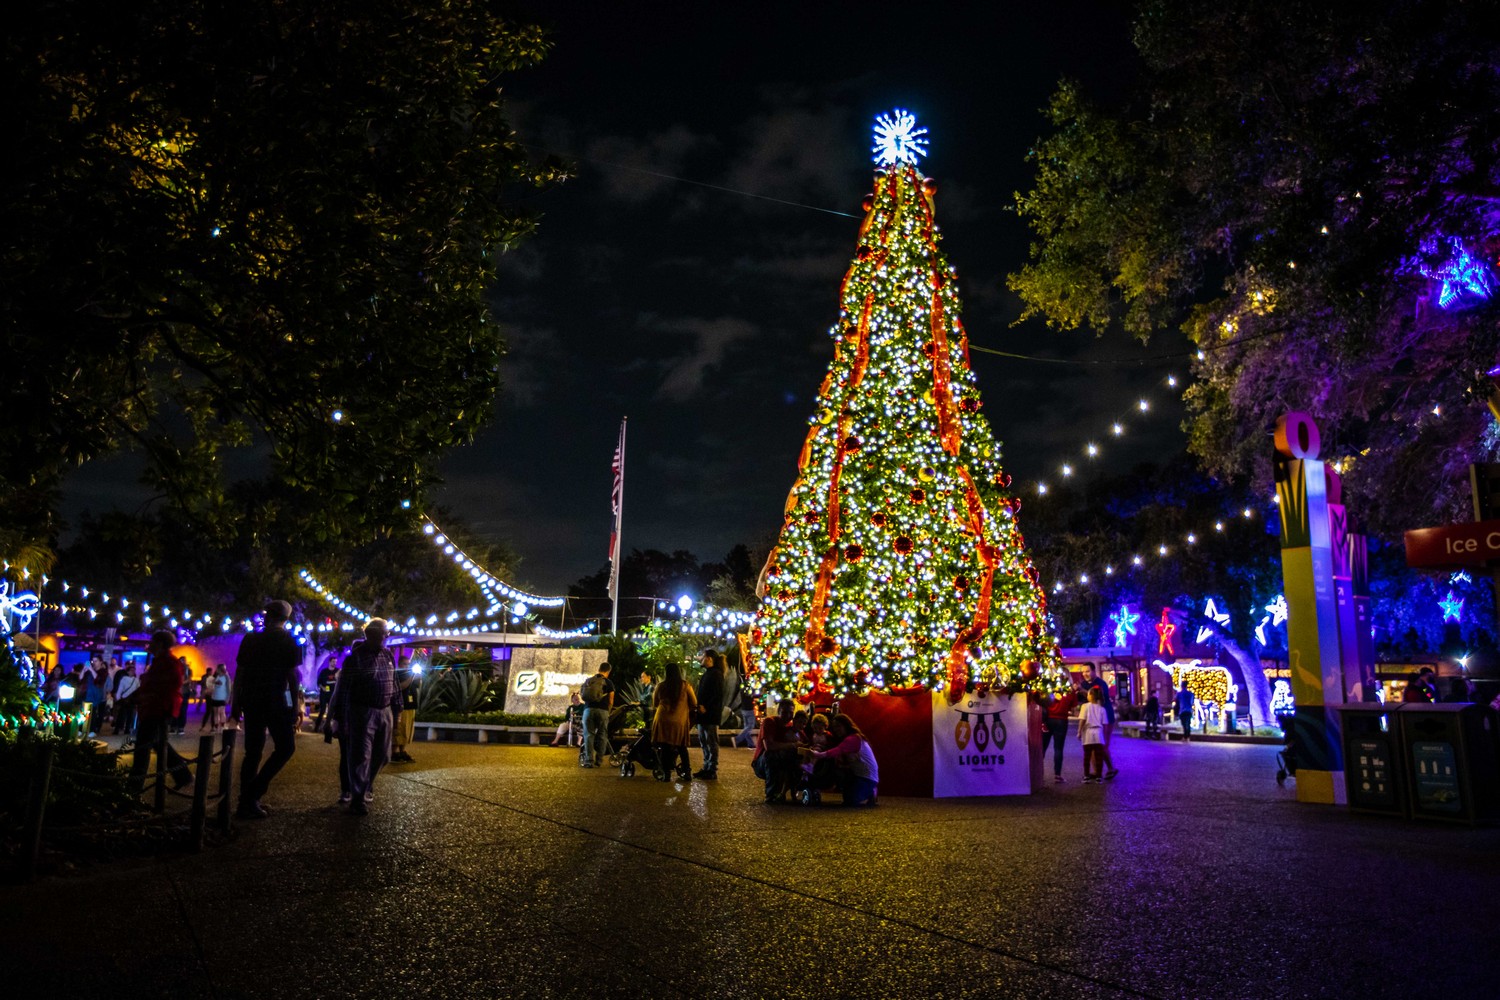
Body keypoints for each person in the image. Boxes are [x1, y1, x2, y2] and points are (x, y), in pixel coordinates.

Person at [232, 600, 302, 820]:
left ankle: (248, 801)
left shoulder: (250, 639)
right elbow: (292, 678)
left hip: (251, 701)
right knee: (286, 747)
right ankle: (252, 795)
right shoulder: (289, 641)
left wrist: (235, 704)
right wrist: (293, 706)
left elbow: (240, 674)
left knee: (252, 752)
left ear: (268, 616)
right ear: (286, 619)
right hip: (276, 702)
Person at [328, 619, 398, 815]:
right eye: (385, 633)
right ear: (373, 634)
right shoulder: (355, 658)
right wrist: (340, 718)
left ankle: (364, 786)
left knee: (383, 756)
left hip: (385, 711)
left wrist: (397, 709)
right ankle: (357, 799)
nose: (388, 636)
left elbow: (395, 683)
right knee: (360, 756)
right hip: (362, 711)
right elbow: (343, 691)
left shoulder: (388, 654)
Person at [128, 631, 193, 794]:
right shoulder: (160, 661)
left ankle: (134, 787)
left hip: (159, 709)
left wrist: (144, 695)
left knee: (143, 747)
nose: (149, 644)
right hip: (155, 708)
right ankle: (183, 775)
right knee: (158, 743)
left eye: (153, 641)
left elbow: (167, 685)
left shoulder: (169, 662)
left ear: (161, 644)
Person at [806, 715, 879, 806]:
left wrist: (817, 755)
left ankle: (871, 791)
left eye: (838, 726)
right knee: (846, 794)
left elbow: (837, 751)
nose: (836, 729)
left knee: (851, 800)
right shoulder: (850, 738)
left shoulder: (853, 739)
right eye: (834, 727)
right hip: (857, 775)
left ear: (846, 725)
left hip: (867, 778)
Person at [650, 661, 700, 782]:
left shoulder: (661, 686)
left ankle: (666, 774)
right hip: (679, 721)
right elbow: (694, 703)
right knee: (682, 747)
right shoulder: (685, 686)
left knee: (664, 747)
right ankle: (687, 773)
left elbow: (655, 703)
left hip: (662, 720)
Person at [754, 698, 801, 804]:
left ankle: (789, 791)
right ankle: (771, 794)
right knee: (771, 755)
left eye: (790, 713)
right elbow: (769, 746)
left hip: (781, 758)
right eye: (785, 712)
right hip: (762, 762)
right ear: (779, 711)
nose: (788, 716)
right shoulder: (769, 722)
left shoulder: (790, 726)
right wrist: (793, 745)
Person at [694, 649, 726, 779]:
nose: (701, 658)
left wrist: (706, 707)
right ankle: (706, 766)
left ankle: (712, 769)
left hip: (710, 715)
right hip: (703, 715)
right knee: (704, 741)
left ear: (709, 659)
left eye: (703, 656)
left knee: (711, 742)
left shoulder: (716, 674)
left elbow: (717, 695)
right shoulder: (708, 673)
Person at [579, 661, 614, 768]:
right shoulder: (608, 683)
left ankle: (589, 761)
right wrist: (608, 711)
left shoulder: (589, 681)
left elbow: (582, 695)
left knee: (589, 735)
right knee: (602, 735)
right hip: (602, 711)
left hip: (588, 710)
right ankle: (599, 760)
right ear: (608, 671)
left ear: (599, 669)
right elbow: (611, 700)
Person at [1041, 682, 1078, 782]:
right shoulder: (1070, 690)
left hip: (1048, 719)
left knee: (1043, 747)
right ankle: (1057, 775)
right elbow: (1074, 706)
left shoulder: (1049, 687)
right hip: (1061, 720)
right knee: (1058, 748)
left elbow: (1042, 701)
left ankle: (1038, 773)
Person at [1086, 666, 1119, 779]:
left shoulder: (1101, 683)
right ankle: (1097, 771)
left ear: (1094, 671)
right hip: (1093, 720)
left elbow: (1100, 697)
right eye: (1083, 672)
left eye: (1088, 671)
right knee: (1093, 746)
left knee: (1102, 745)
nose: (1085, 674)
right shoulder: (1085, 683)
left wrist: (1083, 692)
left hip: (1105, 719)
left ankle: (1110, 769)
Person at [1078, 687, 1108, 783]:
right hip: (1099, 733)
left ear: (1091, 696)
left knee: (1087, 756)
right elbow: (1105, 724)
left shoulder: (1085, 706)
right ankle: (1099, 776)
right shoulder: (1102, 709)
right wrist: (1105, 736)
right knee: (1099, 756)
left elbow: (1082, 720)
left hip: (1088, 733)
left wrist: (1079, 731)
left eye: (1088, 694)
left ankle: (1086, 776)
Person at [391, 660, 419, 763]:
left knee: (407, 730)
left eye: (409, 664)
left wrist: (418, 676)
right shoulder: (398, 674)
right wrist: (412, 677)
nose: (407, 666)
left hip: (411, 705)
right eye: (405, 664)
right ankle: (393, 753)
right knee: (399, 730)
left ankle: (402, 751)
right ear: (400, 664)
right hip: (401, 706)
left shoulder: (411, 674)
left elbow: (418, 685)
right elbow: (401, 686)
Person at [112, 664, 140, 737]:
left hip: (129, 699)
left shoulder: (136, 680)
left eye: (134, 670)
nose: (133, 672)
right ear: (128, 671)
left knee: (129, 715)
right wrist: (118, 698)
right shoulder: (125, 679)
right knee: (122, 715)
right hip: (126, 699)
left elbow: (138, 689)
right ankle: (119, 729)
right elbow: (120, 689)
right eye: (131, 670)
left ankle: (124, 729)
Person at [201, 664, 230, 732]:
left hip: (220, 696)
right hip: (214, 696)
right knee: (216, 712)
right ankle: (216, 727)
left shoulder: (224, 676)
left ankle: (220, 726)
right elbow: (211, 684)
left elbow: (226, 686)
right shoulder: (217, 676)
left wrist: (227, 696)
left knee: (220, 712)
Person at [313, 660, 339, 731]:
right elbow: (319, 682)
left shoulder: (338, 671)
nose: (335, 663)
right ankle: (316, 727)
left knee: (332, 711)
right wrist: (322, 687)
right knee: (322, 710)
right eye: (333, 662)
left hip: (333, 694)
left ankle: (329, 728)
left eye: (336, 662)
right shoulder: (324, 671)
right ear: (329, 662)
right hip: (324, 694)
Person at [174, 658, 194, 735]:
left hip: (184, 692)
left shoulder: (188, 670)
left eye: (184, 661)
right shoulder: (176, 669)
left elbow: (189, 679)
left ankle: (181, 727)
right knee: (176, 709)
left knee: (183, 709)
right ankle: (174, 725)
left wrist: (181, 683)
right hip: (177, 692)